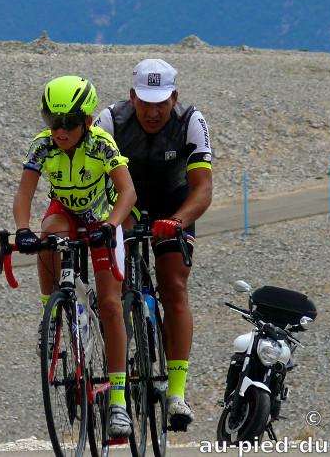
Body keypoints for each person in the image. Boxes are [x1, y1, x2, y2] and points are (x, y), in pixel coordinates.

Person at [13, 75, 137, 438]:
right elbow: (24, 194)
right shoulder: (42, 147)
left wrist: (112, 224)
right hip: (65, 213)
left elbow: (128, 191)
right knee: (47, 233)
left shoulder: (101, 144)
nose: (60, 131)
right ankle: (49, 314)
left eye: (68, 123)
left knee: (111, 307)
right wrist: (22, 230)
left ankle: (118, 401)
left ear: (86, 121)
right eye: (52, 122)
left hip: (102, 215)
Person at [93, 59, 213, 430]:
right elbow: (93, 180)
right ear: (132, 96)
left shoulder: (191, 121)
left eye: (161, 102)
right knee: (111, 290)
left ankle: (176, 393)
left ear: (174, 97)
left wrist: (178, 220)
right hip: (121, 204)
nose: (153, 110)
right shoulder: (110, 120)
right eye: (145, 101)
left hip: (172, 207)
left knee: (174, 287)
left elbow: (203, 189)